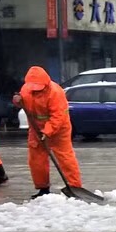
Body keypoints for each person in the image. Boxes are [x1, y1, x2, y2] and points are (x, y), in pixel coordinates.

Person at [13, 66, 80, 196]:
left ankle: (74, 187)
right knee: (36, 159)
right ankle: (43, 188)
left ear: (46, 82)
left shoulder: (55, 92)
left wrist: (47, 131)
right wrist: (17, 101)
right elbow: (24, 104)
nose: (35, 90)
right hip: (36, 128)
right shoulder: (26, 89)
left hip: (59, 128)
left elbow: (58, 117)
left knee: (65, 157)